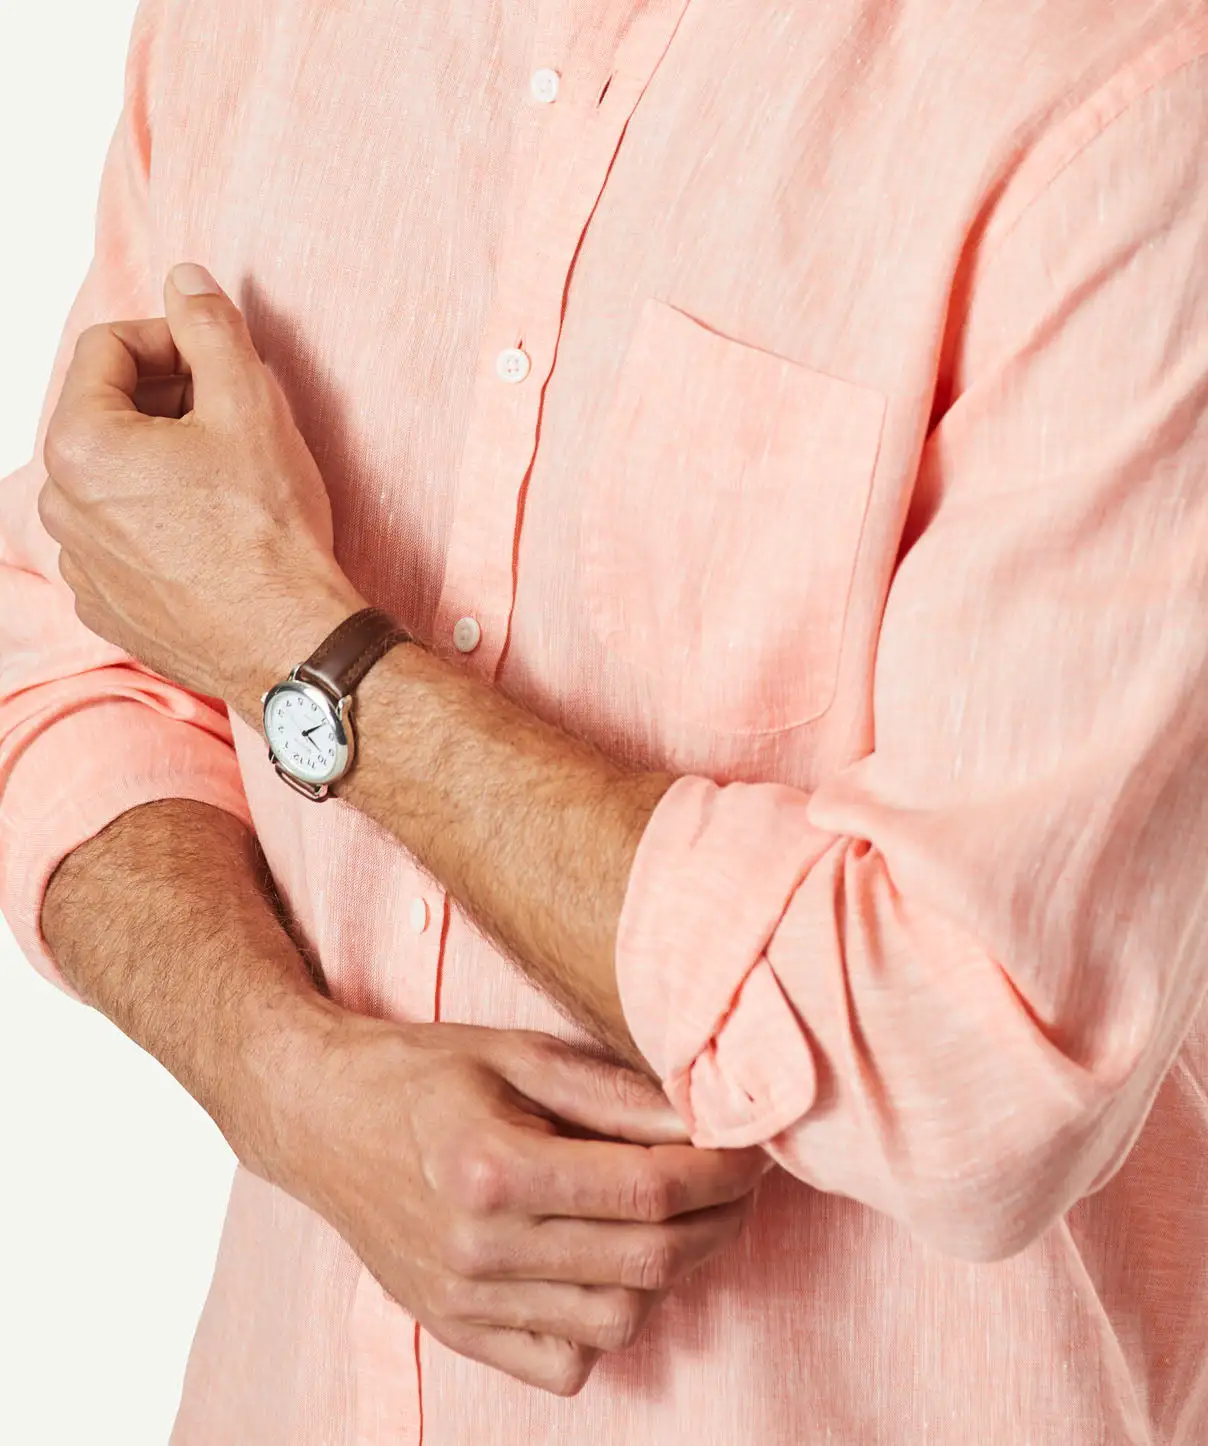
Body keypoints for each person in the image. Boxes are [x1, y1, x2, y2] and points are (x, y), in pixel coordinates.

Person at [2, 0, 1207, 1441]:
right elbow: (70, 650)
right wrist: (283, 1080)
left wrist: (302, 654)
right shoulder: (246, 28)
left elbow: (983, 1047)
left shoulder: (1119, 90)